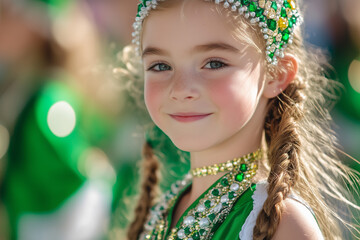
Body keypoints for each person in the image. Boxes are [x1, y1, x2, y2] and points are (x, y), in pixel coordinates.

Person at [115, 0, 360, 239]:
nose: (180, 89)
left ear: (276, 74)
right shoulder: (164, 208)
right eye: (160, 66)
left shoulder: (285, 224)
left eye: (213, 63)